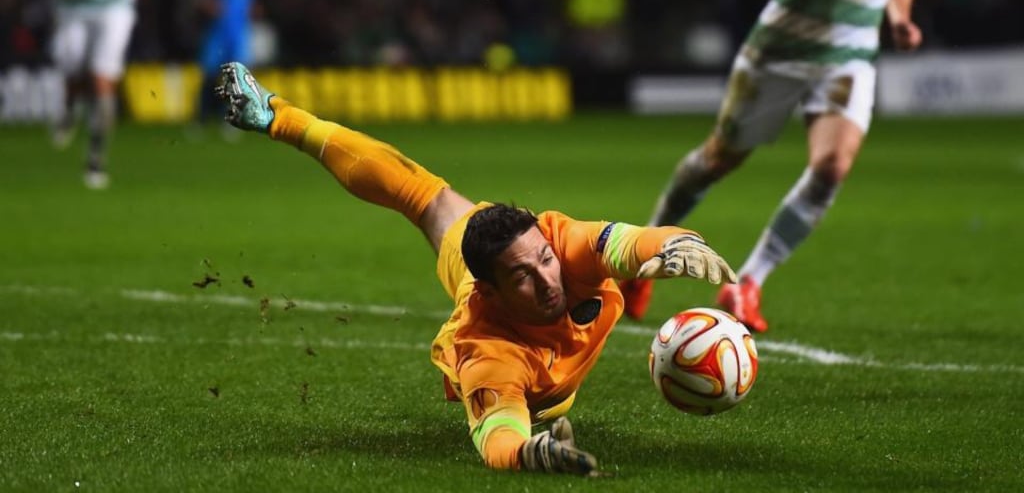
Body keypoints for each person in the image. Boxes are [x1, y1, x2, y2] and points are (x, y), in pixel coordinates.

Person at [215, 61, 736, 475]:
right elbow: (499, 437)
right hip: (539, 393)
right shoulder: (485, 346)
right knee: (430, 206)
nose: (547, 279)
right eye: (523, 278)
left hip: (493, 254)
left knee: (425, 194)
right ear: (489, 289)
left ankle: (276, 115)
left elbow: (627, 243)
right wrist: (528, 453)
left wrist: (676, 244)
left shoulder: (555, 243)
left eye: (545, 262)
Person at [619, 0, 938, 331]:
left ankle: (748, 282)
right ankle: (644, 256)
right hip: (781, 47)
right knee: (719, 158)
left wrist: (899, 15)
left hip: (850, 57)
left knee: (832, 168)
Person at [35, 0, 158, 189]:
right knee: (74, 73)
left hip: (116, 8)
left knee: (102, 78)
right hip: (73, 7)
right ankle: (69, 109)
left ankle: (95, 158)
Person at [193, 0, 257, 133]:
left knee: (237, 77)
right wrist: (210, 5)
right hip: (218, 30)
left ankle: (231, 121)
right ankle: (200, 119)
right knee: (211, 74)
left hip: (239, 32)